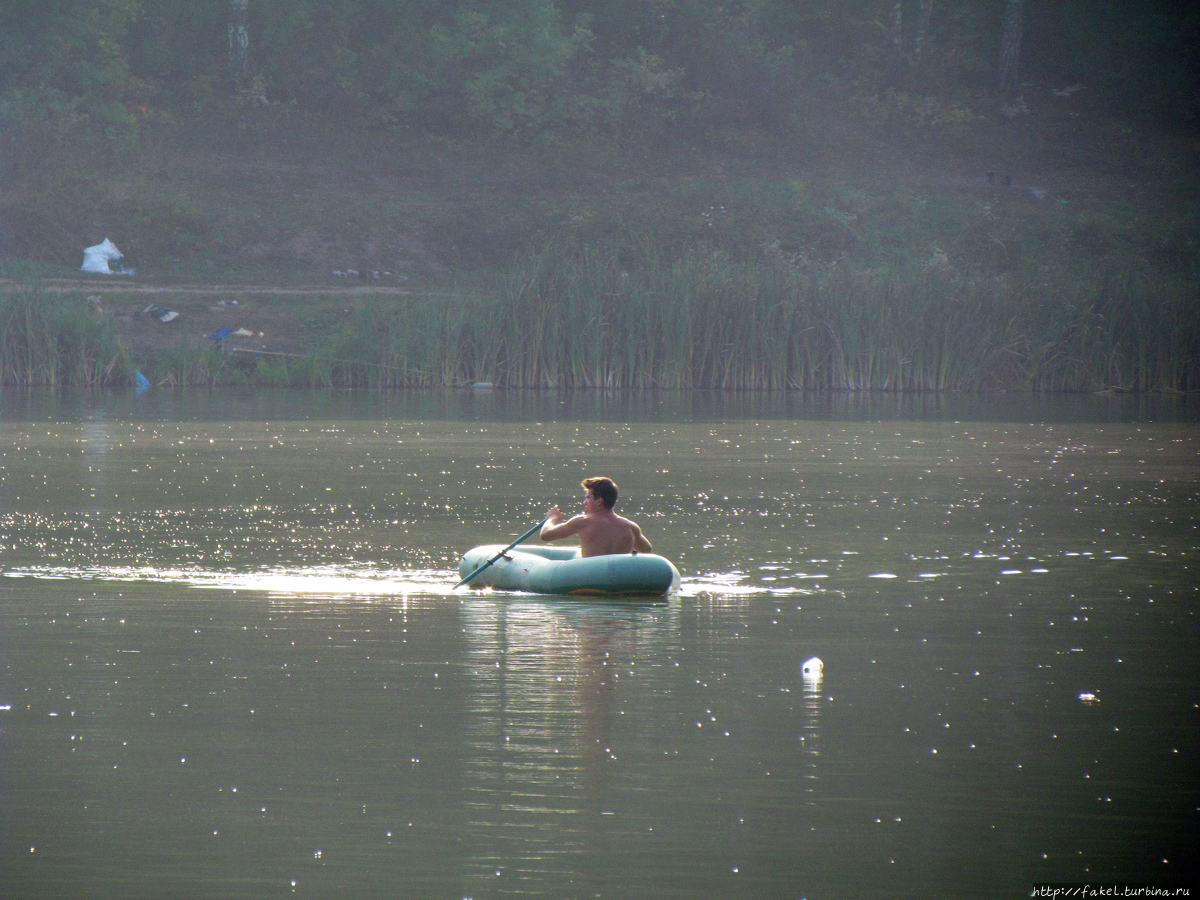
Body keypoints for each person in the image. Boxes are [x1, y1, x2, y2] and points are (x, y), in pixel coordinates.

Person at [541, 476, 652, 558]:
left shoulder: (582, 522)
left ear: (599, 501)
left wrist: (552, 517)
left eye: (588, 498)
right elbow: (646, 549)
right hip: (621, 577)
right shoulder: (630, 526)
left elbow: (546, 535)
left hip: (593, 577)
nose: (585, 502)